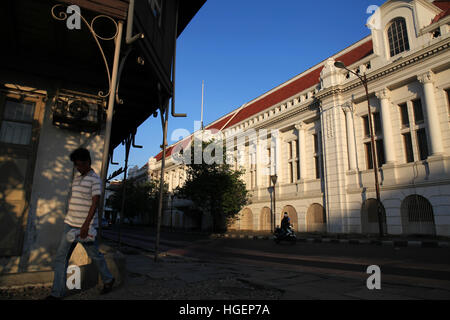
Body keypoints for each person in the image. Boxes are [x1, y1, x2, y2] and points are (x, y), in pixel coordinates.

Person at [46, 147, 114, 300]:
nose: (78, 168)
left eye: (81, 165)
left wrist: (85, 226)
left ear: (88, 162)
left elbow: (95, 204)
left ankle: (108, 279)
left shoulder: (95, 179)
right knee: (61, 258)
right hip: (70, 225)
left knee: (95, 255)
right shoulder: (77, 177)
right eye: (76, 165)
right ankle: (57, 294)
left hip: (85, 228)